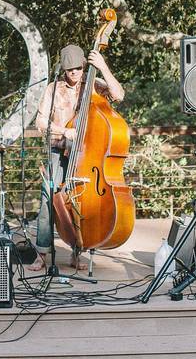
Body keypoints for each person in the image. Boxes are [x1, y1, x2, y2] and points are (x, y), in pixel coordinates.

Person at [28, 43, 125, 272]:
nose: (74, 73)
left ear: (84, 66)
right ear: (63, 69)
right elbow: (40, 124)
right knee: (48, 200)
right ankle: (42, 254)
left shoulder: (93, 85)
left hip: (86, 157)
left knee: (81, 203)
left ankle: (77, 251)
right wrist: (64, 131)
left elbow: (119, 95)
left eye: (78, 68)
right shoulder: (53, 89)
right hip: (58, 151)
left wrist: (102, 67)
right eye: (69, 69)